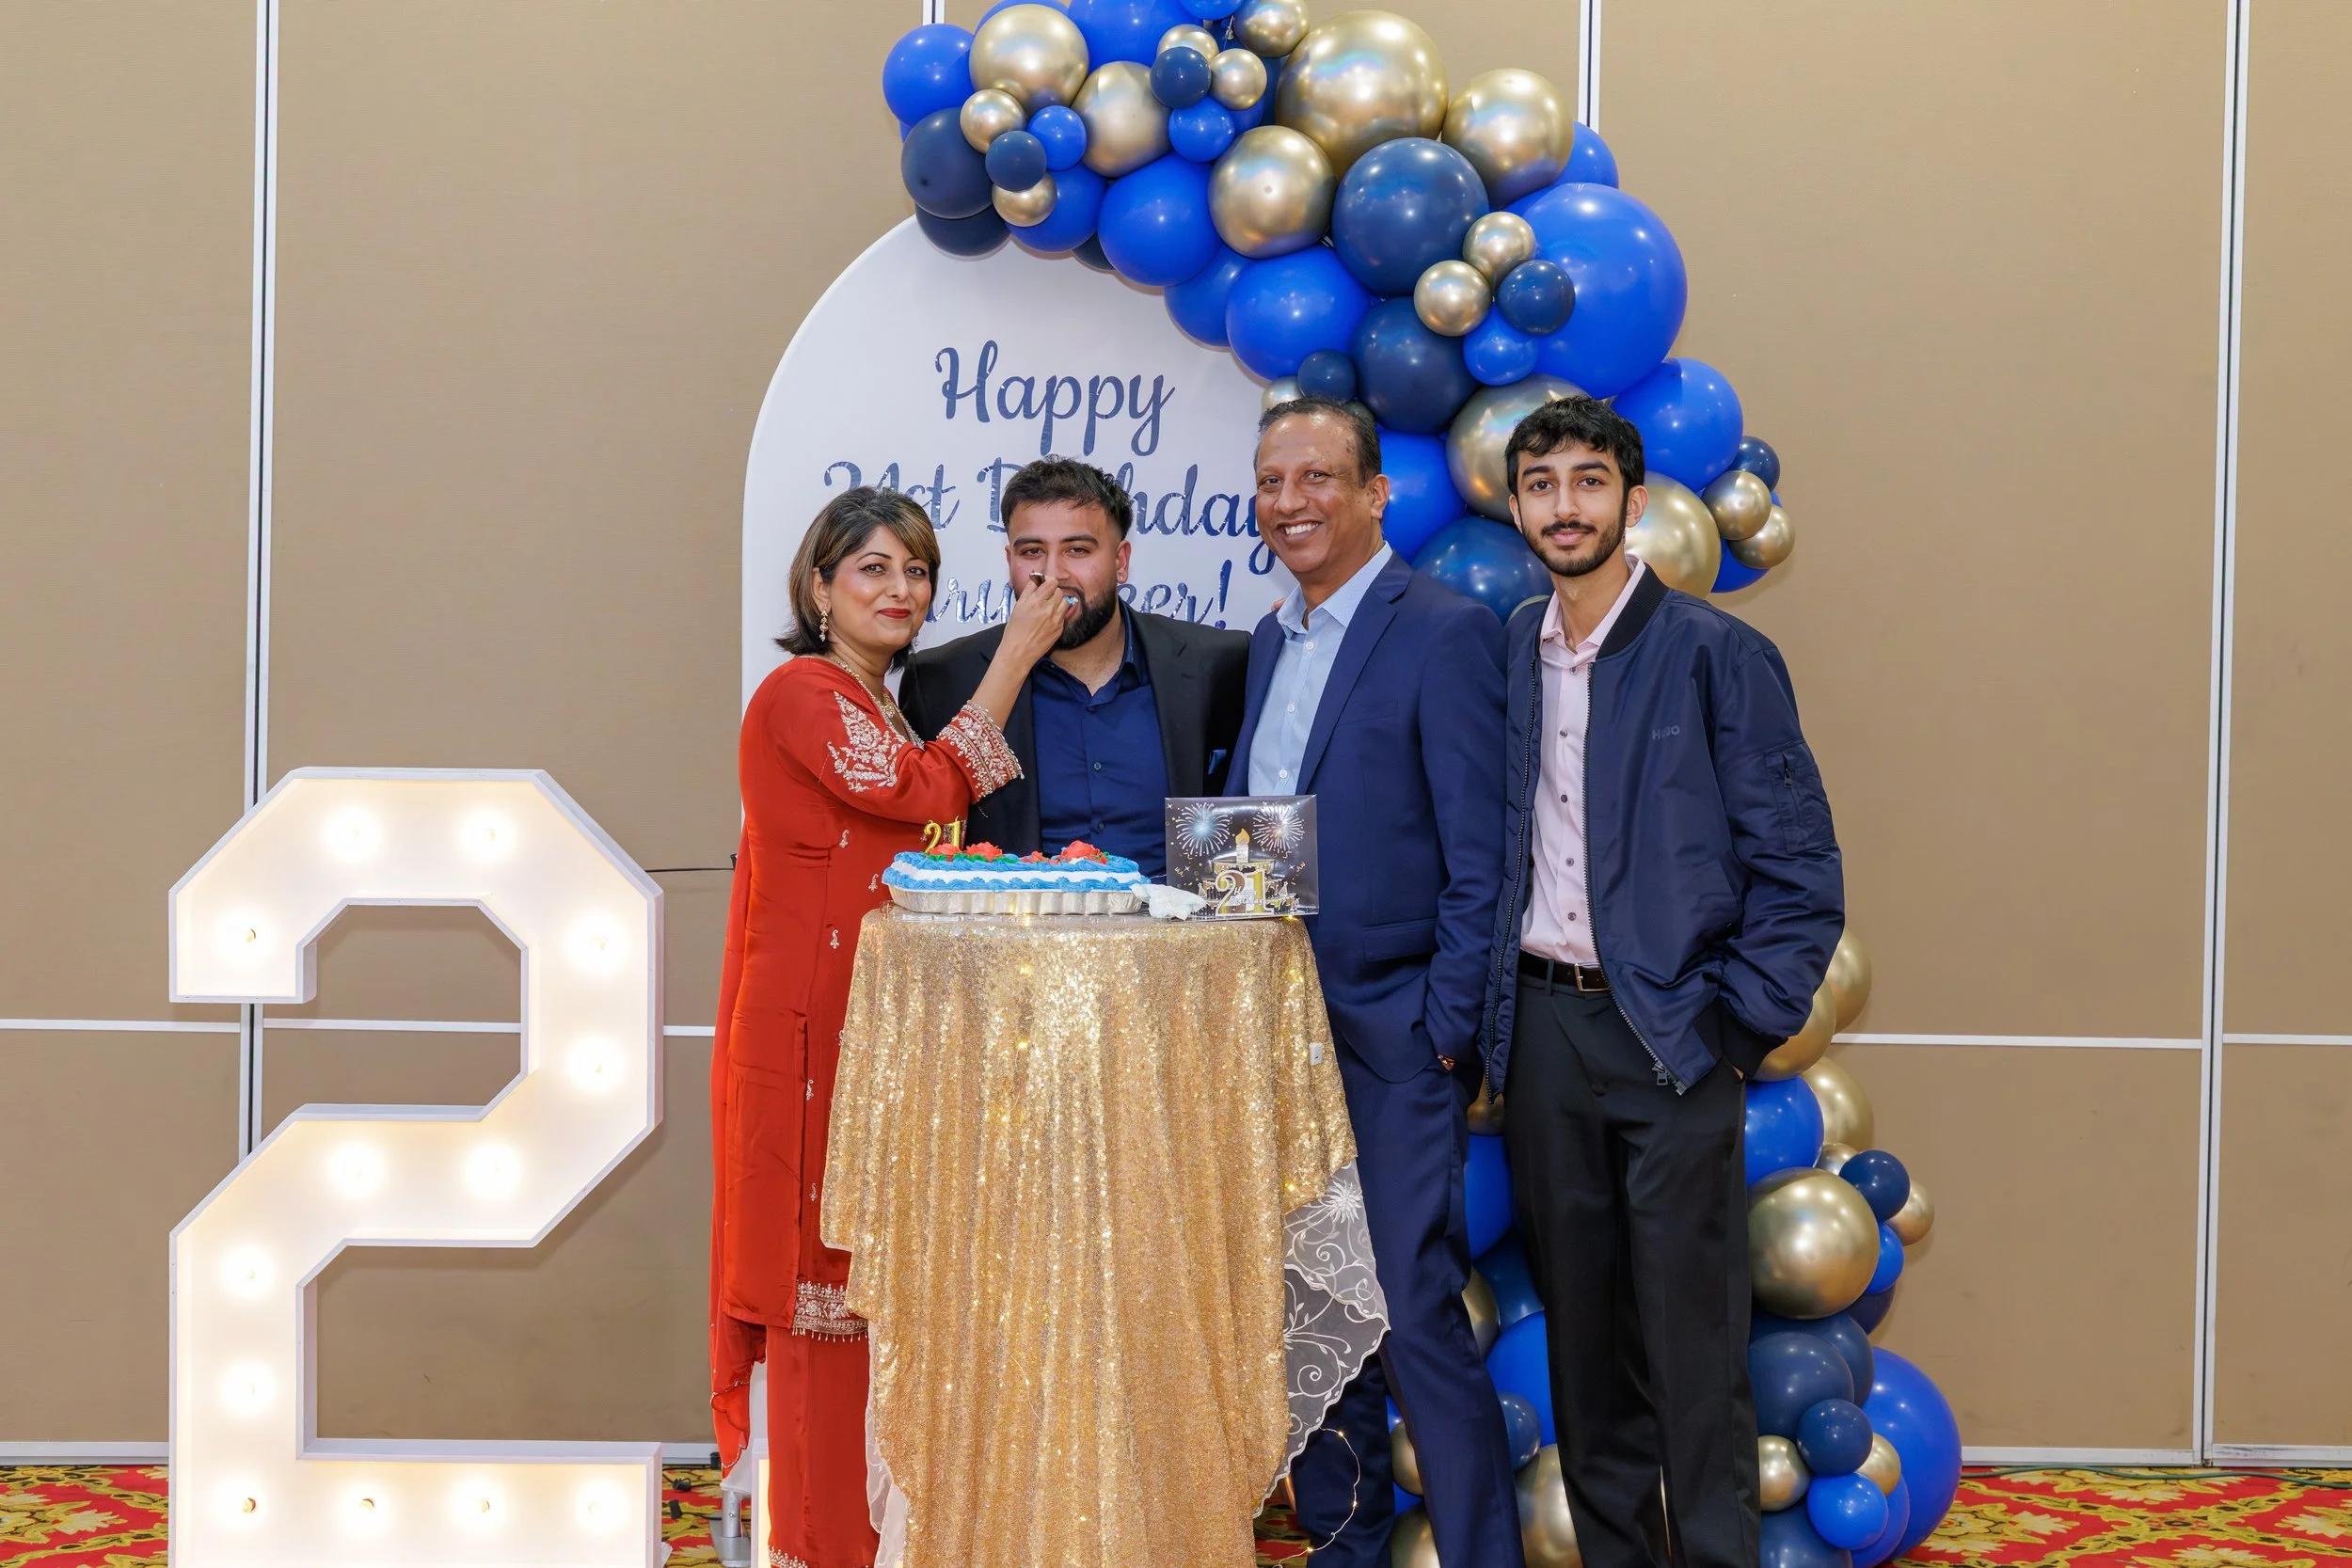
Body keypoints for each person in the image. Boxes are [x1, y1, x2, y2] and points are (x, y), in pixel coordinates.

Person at [1480, 396, 1844, 1568]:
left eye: (1588, 482)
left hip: (1674, 1037)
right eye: (1541, 485)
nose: (1564, 505)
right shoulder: (1508, 655)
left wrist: (1735, 1026)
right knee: (1584, 1346)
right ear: (1516, 506)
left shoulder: (1716, 653)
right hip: (1541, 1032)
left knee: (1692, 1347)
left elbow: (1797, 866)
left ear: (1632, 504)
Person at [709, 486, 1066, 1568]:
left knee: (866, 1297)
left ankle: (860, 1536)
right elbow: (916, 795)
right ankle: (818, 1542)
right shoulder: (803, 693)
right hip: (815, 1044)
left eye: (914, 570)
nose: (900, 590)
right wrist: (1015, 656)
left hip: (872, 1040)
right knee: (820, 1295)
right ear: (818, 588)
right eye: (871, 569)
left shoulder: (874, 701)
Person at [1230, 397, 1524, 1568]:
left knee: (1408, 1313)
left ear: (1372, 493)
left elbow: (1482, 856)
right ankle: (1344, 1549)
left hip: (1393, 1033)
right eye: (1270, 480)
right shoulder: (1267, 640)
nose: (1289, 501)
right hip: (1267, 1033)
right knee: (1316, 1311)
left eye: (1315, 477)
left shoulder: (1443, 630)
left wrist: (1443, 1032)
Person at [898, 456, 1251, 877]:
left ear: (1121, 561)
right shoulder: (941, 679)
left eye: (1078, 550)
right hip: (1016, 937)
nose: (1054, 574)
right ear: (1009, 560)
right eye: (1033, 551)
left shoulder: (1218, 662)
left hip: (1183, 933)